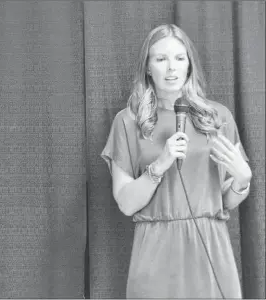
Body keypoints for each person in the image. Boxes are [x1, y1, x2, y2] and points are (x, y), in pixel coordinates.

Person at [101, 24, 252, 298]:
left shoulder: (217, 117)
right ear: (148, 68)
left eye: (179, 58)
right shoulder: (128, 121)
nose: (171, 68)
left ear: (189, 65)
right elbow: (126, 203)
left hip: (211, 248)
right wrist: (159, 165)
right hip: (156, 249)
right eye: (161, 59)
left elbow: (225, 201)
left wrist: (242, 181)